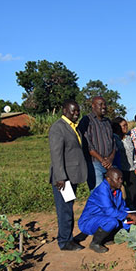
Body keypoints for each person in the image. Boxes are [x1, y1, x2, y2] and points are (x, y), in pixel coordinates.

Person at [49, 100, 88, 251]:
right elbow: (56, 154)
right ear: (64, 110)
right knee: (64, 210)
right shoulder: (58, 128)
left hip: (72, 175)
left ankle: (68, 237)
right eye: (73, 111)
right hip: (63, 178)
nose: (76, 113)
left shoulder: (73, 127)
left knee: (68, 207)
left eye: (78, 111)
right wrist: (60, 177)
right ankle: (65, 242)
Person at [78, 168, 136, 253]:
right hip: (89, 221)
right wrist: (130, 216)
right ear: (108, 179)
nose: (121, 181)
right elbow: (110, 211)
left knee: (126, 223)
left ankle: (107, 237)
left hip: (104, 218)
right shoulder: (101, 191)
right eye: (118, 179)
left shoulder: (117, 190)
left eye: (121, 178)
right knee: (112, 222)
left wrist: (132, 217)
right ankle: (95, 242)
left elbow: (122, 207)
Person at [78, 96, 116, 190]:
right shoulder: (87, 120)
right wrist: (102, 160)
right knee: (98, 192)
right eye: (100, 104)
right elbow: (87, 144)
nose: (103, 107)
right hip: (95, 163)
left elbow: (113, 142)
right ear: (93, 106)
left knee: (110, 191)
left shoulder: (107, 122)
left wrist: (110, 159)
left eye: (105, 104)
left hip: (109, 163)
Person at [111, 117, 136, 208]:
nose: (126, 127)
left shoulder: (129, 138)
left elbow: (134, 154)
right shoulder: (114, 138)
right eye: (123, 126)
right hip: (119, 168)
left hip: (131, 168)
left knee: (134, 190)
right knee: (121, 192)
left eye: (126, 125)